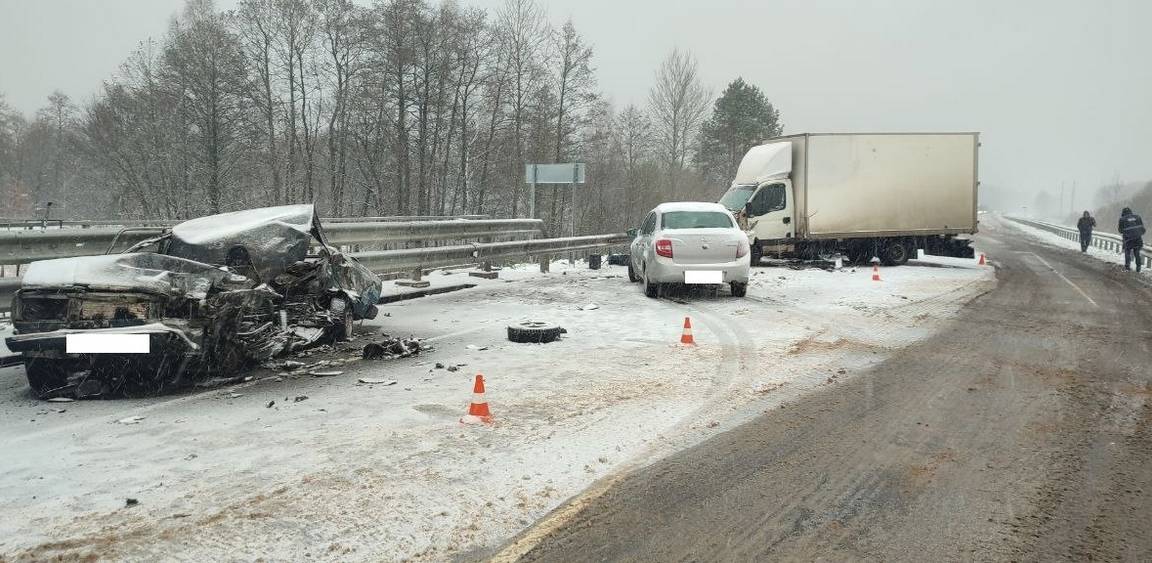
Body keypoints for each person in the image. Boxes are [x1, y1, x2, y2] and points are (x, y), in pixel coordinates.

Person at [1118, 207, 1146, 272]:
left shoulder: (1122, 219)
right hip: (1137, 238)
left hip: (1128, 239)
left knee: (1127, 252)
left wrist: (1126, 232)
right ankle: (1138, 267)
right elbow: (1142, 228)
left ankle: (1127, 267)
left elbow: (1120, 230)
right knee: (1137, 252)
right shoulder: (1137, 217)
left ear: (1123, 213)